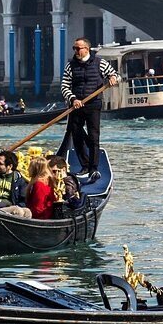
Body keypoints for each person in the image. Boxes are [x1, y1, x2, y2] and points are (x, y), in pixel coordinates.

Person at [58, 37, 118, 181]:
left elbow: (116, 76)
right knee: (76, 133)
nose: (76, 51)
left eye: (78, 48)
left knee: (93, 137)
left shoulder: (100, 63)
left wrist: (112, 78)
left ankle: (93, 168)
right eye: (74, 48)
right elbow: (64, 86)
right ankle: (84, 165)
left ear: (87, 49)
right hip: (76, 104)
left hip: (93, 104)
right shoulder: (70, 66)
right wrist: (73, 99)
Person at [0, 150, 31, 217]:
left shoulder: (19, 180)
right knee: (18, 211)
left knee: (28, 212)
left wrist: (18, 206)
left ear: (10, 166)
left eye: (0, 164)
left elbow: (23, 200)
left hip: (10, 207)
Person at [26, 155, 55, 219]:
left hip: (40, 216)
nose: (28, 169)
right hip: (45, 213)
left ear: (35, 169)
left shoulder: (39, 184)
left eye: (30, 167)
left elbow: (38, 208)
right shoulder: (48, 181)